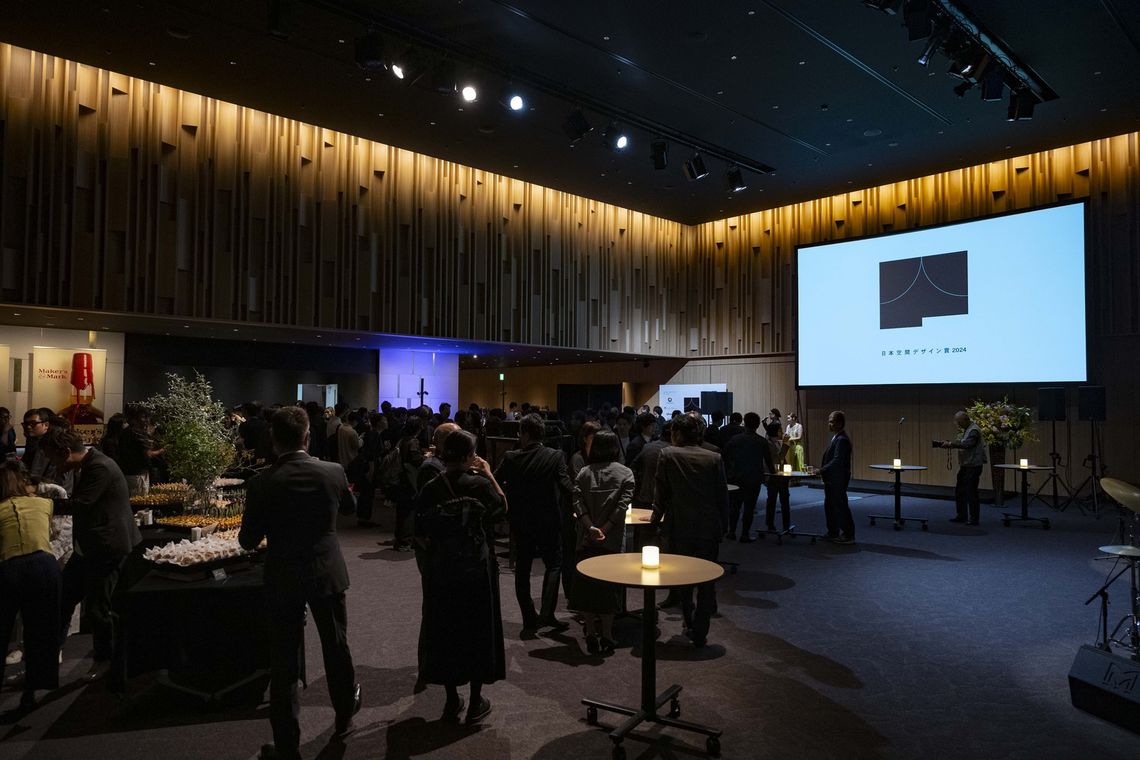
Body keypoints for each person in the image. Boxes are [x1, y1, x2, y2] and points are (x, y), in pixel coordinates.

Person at [239, 407, 361, 760]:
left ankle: (288, 745)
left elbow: (247, 541)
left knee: (284, 661)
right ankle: (344, 715)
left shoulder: (262, 482)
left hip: (283, 575)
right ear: (308, 437)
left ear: (273, 439)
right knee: (336, 645)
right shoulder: (332, 472)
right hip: (326, 571)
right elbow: (350, 509)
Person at [414, 430, 506, 724]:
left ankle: (452, 698)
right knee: (478, 629)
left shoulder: (431, 487)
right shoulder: (479, 484)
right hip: (476, 568)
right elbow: (501, 508)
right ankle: (476, 700)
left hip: (443, 570)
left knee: (447, 630)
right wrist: (488, 473)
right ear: (469, 456)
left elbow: (419, 530)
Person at [38, 426, 140, 682]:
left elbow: (81, 504)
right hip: (90, 546)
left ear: (64, 451)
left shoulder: (99, 467)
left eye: (52, 458)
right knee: (65, 598)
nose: (52, 465)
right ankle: (49, 660)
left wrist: (38, 503)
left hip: (106, 546)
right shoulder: (90, 464)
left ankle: (108, 663)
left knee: (98, 608)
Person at [494, 414, 573, 633]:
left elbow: (495, 483)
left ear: (525, 433)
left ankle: (529, 619)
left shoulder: (510, 457)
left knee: (522, 569)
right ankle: (547, 614)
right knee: (554, 565)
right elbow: (566, 486)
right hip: (549, 520)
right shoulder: (555, 456)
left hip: (520, 521)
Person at [654, 415, 728, 647]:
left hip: (679, 526)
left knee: (683, 579)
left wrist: (655, 520)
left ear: (677, 433)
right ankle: (701, 630)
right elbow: (722, 495)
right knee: (707, 580)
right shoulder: (714, 457)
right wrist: (724, 525)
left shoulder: (667, 455)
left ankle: (688, 621)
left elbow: (661, 493)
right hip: (708, 526)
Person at [0, 460, 61, 712]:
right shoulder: (44, 504)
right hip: (44, 566)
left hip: (9, 568)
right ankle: (31, 691)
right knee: (41, 631)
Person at [569, 430, 633, 655]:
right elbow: (622, 507)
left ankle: (589, 632)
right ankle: (607, 635)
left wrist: (590, 527)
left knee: (587, 587)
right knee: (609, 589)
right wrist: (604, 529)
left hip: (586, 538)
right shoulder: (625, 473)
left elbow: (577, 502)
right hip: (612, 541)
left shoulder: (584, 472)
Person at [722, 413, 774, 542]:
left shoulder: (735, 439)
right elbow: (768, 461)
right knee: (749, 507)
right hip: (754, 477)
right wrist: (772, 474)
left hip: (736, 477)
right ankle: (745, 534)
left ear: (744, 423)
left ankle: (731, 532)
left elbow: (724, 455)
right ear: (757, 425)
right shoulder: (761, 441)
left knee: (734, 506)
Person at [941, 410, 986, 525]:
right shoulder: (967, 429)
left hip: (973, 465)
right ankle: (962, 515)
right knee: (960, 490)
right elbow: (963, 442)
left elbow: (968, 444)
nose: (958, 425)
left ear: (966, 420)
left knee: (971, 491)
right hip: (966, 465)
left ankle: (974, 518)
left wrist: (951, 444)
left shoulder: (974, 430)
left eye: (960, 422)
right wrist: (951, 443)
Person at [819, 410, 854, 544]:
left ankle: (848, 535)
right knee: (830, 505)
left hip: (838, 478)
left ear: (840, 423)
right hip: (832, 478)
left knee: (840, 505)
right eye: (829, 421)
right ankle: (833, 532)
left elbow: (837, 461)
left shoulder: (842, 440)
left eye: (832, 422)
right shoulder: (837, 438)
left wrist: (820, 470)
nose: (829, 424)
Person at [764, 421, 792, 533]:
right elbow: (778, 458)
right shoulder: (768, 443)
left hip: (781, 475)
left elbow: (781, 460)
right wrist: (785, 444)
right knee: (772, 500)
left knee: (784, 499)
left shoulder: (776, 442)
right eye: (780, 430)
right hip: (773, 475)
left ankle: (786, 524)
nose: (782, 432)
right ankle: (770, 524)